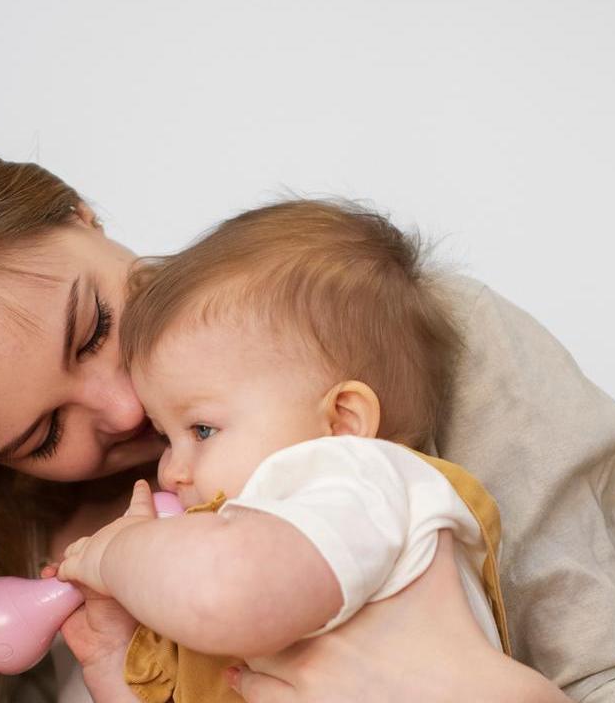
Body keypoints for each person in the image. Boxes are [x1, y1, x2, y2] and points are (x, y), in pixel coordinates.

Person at [0, 138, 615, 703]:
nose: (127, 411)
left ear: (80, 213)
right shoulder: (12, 566)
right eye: (41, 437)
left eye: (92, 327)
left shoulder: (405, 342)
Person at [55, 200, 565, 702]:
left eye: (203, 430)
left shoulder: (359, 480)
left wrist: (117, 554)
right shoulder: (264, 547)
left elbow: (222, 596)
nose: (171, 471)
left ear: (342, 421)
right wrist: (112, 660)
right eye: (167, 438)